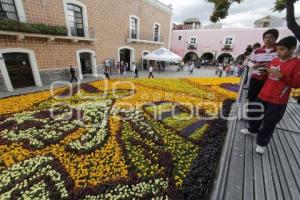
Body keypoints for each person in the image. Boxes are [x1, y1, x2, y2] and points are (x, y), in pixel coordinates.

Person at [241, 36, 300, 154]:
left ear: (292, 49)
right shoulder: (275, 60)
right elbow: (269, 77)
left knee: (270, 121)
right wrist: (264, 72)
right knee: (254, 112)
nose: (278, 52)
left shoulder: (297, 63)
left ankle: (262, 143)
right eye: (277, 49)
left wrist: (281, 75)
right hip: (264, 93)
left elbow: (296, 84)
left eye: (282, 49)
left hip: (278, 98)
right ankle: (253, 129)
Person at [246, 29, 279, 116]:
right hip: (256, 78)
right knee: (252, 97)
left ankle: (261, 116)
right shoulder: (256, 51)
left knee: (265, 99)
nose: (268, 39)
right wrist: (253, 66)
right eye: (266, 38)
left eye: (271, 37)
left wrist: (267, 65)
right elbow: (249, 62)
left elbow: (281, 65)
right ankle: (250, 116)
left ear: (275, 38)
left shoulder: (279, 51)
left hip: (270, 80)